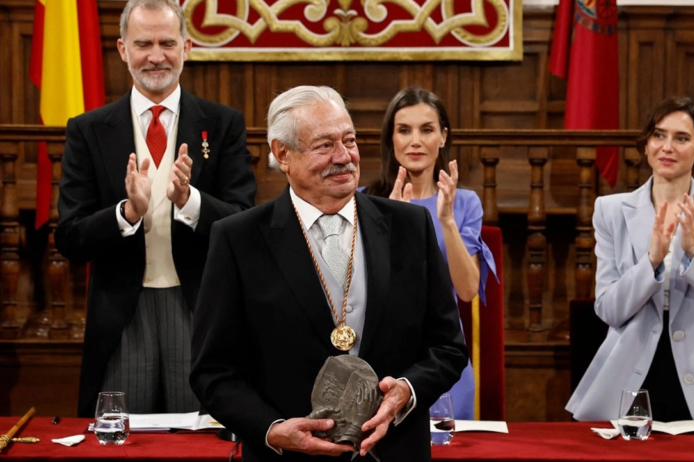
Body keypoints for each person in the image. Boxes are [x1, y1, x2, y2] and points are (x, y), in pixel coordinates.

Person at [190, 85, 467, 461]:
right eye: (324, 146)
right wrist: (271, 429)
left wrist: (406, 390)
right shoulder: (239, 239)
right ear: (282, 154)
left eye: (349, 140)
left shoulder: (410, 227)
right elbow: (213, 372)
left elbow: (448, 348)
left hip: (394, 452)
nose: (344, 157)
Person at [55, 0, 256, 417]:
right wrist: (126, 212)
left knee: (203, 440)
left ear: (187, 47)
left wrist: (189, 200)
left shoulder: (222, 124)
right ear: (122, 49)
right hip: (122, 315)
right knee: (121, 441)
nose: (156, 56)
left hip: (198, 307)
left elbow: (243, 221)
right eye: (143, 43)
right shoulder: (88, 130)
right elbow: (70, 238)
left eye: (167, 43)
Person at [566, 96, 694, 422]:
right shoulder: (611, 211)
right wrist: (651, 261)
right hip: (634, 370)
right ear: (646, 146)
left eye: (682, 138)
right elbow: (609, 310)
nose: (667, 147)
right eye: (658, 136)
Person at [365, 87, 496, 420]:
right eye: (404, 130)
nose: (415, 141)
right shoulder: (365, 202)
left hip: (443, 359)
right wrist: (395, 224)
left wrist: (447, 221)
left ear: (443, 137)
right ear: (390, 139)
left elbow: (467, 290)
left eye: (427, 129)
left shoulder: (464, 203)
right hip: (381, 360)